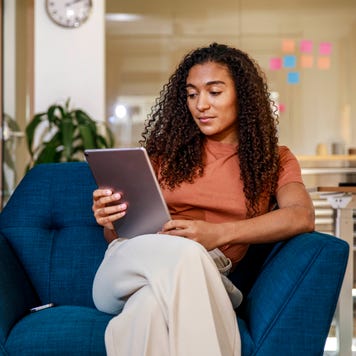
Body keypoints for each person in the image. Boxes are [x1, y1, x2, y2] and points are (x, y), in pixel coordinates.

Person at [91, 42, 315, 356]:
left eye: (214, 92)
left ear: (243, 96)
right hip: (127, 264)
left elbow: (301, 216)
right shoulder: (162, 156)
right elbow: (114, 236)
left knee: (149, 311)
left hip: (206, 271)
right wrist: (111, 218)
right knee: (186, 254)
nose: (200, 105)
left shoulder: (273, 160)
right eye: (192, 94)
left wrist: (218, 234)